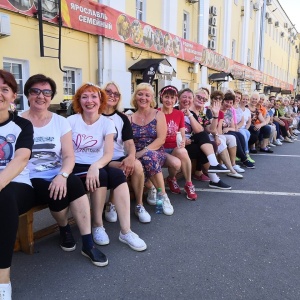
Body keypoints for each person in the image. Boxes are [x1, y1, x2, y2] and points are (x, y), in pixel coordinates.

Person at [22, 74, 108, 267]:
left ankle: (88, 243)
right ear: (28, 94)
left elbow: (69, 156)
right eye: (35, 91)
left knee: (74, 184)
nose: (40, 96)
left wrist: (62, 175)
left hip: (57, 172)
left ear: (51, 96)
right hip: (31, 177)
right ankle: (64, 228)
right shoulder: (19, 122)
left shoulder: (60, 122)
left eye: (46, 92)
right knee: (57, 195)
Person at [68, 82, 147, 251]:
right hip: (76, 166)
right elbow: (67, 153)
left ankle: (126, 231)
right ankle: (97, 225)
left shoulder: (107, 123)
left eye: (94, 96)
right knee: (102, 175)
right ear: (79, 100)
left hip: (99, 164)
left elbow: (108, 154)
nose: (89, 101)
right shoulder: (70, 121)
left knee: (118, 175)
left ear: (100, 100)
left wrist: (95, 166)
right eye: (84, 97)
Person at [0, 70, 34, 300]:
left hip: (18, 184)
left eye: (4, 89)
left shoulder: (22, 125)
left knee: (4, 198)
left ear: (13, 96)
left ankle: (3, 279)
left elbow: (21, 158)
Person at [102, 81, 151, 223]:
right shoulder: (94, 115)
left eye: (116, 94)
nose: (112, 95)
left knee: (136, 165)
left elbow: (129, 142)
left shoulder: (122, 118)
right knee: (122, 168)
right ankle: (111, 204)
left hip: (117, 156)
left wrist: (131, 156)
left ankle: (139, 204)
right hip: (99, 159)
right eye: (108, 92)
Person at [129, 82, 174, 215]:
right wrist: (133, 154)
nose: (143, 97)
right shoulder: (129, 117)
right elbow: (128, 141)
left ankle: (163, 196)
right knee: (138, 164)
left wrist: (144, 151)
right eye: (140, 94)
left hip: (155, 151)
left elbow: (161, 139)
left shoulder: (158, 114)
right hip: (136, 153)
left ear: (152, 98)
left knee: (149, 157)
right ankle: (151, 188)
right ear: (135, 97)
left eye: (147, 95)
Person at [177, 87, 232, 190]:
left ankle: (213, 176)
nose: (201, 100)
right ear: (194, 97)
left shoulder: (202, 114)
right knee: (203, 136)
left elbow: (211, 129)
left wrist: (215, 115)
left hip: (192, 143)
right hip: (181, 144)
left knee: (208, 143)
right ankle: (214, 174)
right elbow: (199, 131)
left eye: (204, 99)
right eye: (199, 97)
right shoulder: (180, 110)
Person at [159, 85, 198, 200]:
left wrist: (182, 142)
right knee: (176, 163)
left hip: (174, 148)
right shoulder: (156, 113)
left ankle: (188, 184)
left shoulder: (179, 114)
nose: (169, 100)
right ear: (161, 97)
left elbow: (181, 133)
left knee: (182, 151)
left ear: (176, 99)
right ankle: (171, 178)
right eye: (166, 97)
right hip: (160, 148)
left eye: (172, 97)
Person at [218, 92, 255, 168]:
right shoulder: (218, 110)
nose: (228, 104)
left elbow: (233, 127)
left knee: (240, 135)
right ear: (223, 101)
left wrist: (228, 128)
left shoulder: (229, 112)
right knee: (235, 136)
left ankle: (243, 157)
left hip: (227, 130)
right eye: (227, 102)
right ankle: (244, 159)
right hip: (219, 132)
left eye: (231, 103)